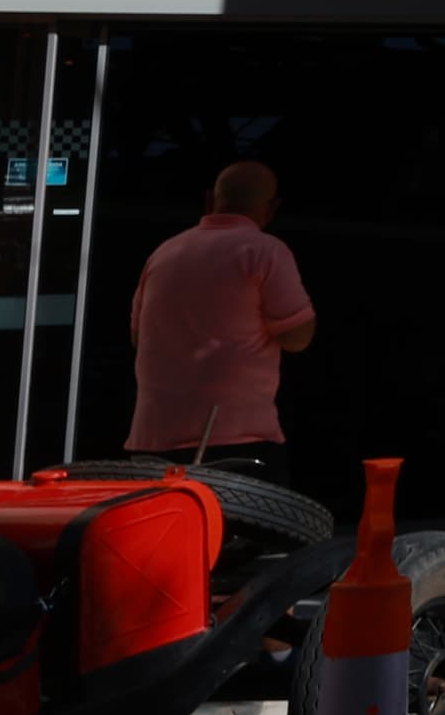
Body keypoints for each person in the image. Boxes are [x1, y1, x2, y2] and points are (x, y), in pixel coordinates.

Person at [125, 162, 315, 478]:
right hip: (236, 443)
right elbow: (298, 337)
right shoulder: (265, 251)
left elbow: (138, 338)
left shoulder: (164, 253)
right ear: (271, 209)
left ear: (209, 201)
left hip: (152, 440)